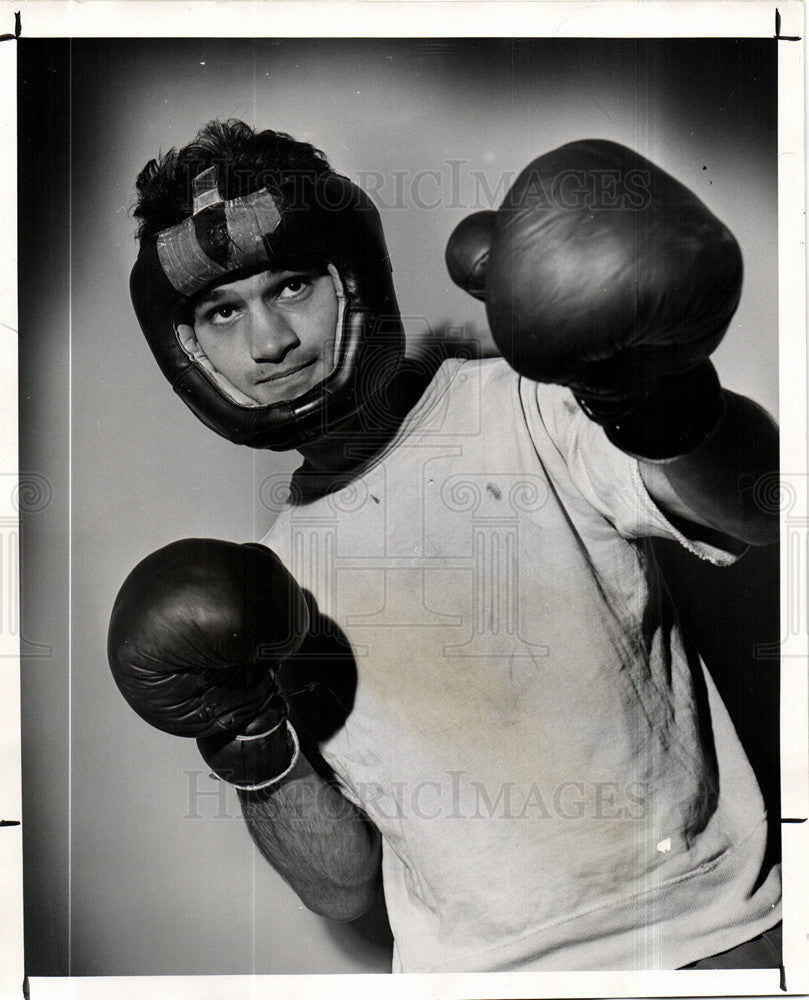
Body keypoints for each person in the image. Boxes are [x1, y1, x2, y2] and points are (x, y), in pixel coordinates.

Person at [108, 120, 781, 973]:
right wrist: (243, 731)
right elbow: (341, 890)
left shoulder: (528, 401)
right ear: (188, 350)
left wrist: (659, 393)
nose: (268, 343)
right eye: (222, 311)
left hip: (714, 938)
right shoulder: (262, 586)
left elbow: (757, 512)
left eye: (290, 288)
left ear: (352, 277)